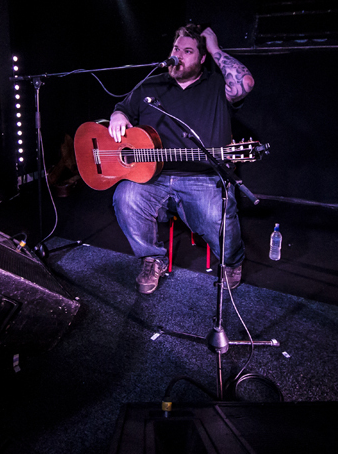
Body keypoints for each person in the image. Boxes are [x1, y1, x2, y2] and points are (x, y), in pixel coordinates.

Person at [108, 24, 255, 294]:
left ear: (201, 58)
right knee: (124, 197)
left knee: (217, 215)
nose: (178, 55)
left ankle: (232, 262)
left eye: (188, 51)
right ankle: (152, 259)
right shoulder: (152, 84)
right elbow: (123, 108)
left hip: (204, 176)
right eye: (176, 49)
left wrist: (215, 49)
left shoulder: (216, 84)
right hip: (152, 176)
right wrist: (119, 115)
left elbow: (245, 83)